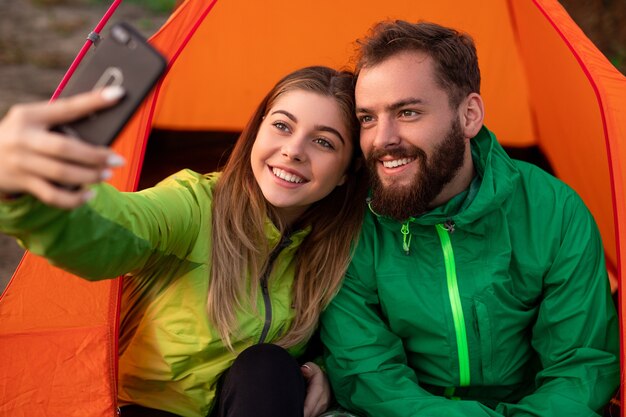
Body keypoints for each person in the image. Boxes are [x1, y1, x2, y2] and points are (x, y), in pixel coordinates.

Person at [0, 66, 368, 417]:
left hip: (250, 402)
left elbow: (361, 333)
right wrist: (31, 193)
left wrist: (318, 369)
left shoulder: (339, 247)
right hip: (149, 408)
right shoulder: (195, 204)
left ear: (346, 172)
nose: (294, 150)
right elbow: (116, 228)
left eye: (323, 141)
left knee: (268, 366)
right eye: (281, 126)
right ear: (256, 131)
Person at [320, 20, 620, 417]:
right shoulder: (351, 223)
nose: (382, 139)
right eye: (368, 118)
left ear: (469, 115)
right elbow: (369, 375)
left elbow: (580, 367)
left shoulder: (553, 211)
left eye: (407, 112)